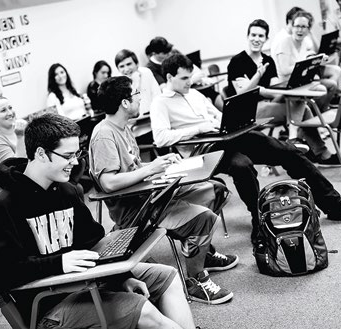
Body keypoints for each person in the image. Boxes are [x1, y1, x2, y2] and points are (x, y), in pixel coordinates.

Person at [0, 113, 198, 329]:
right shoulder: (4, 206)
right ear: (41, 154)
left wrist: (123, 277)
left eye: (76, 154)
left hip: (85, 284)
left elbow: (93, 241)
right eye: (67, 156)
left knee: (166, 276)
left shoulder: (67, 191)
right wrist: (58, 263)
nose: (74, 163)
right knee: (143, 310)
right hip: (48, 308)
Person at [150, 53, 341, 245]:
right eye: (184, 78)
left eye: (190, 76)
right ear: (169, 77)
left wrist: (230, 123)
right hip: (203, 152)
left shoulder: (196, 95)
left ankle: (335, 204)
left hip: (225, 137)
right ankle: (259, 221)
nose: (190, 82)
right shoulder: (161, 102)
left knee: (287, 154)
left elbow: (218, 116)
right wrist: (199, 128)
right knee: (242, 165)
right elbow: (160, 138)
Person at [89, 76, 238, 305]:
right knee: (204, 219)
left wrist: (157, 165)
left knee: (214, 190)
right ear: (125, 103)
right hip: (137, 209)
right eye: (136, 94)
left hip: (151, 193)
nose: (140, 98)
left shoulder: (124, 128)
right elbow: (108, 183)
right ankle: (195, 280)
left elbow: (133, 168)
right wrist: (152, 169)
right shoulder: (104, 134)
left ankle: (201, 252)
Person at [227, 19, 341, 168]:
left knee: (299, 102)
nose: (256, 39)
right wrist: (258, 76)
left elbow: (275, 88)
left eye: (261, 36)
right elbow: (241, 94)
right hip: (246, 112)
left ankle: (303, 148)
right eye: (253, 35)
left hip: (268, 104)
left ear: (266, 39)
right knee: (302, 107)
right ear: (247, 36)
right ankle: (306, 148)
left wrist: (291, 86)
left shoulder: (268, 60)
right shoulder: (237, 62)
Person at [273, 10, 341, 114]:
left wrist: (318, 59)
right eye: (297, 26)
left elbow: (312, 55)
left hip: (302, 80)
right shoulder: (285, 42)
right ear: (292, 27)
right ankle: (312, 116)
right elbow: (284, 70)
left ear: (308, 29)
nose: (299, 30)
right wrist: (305, 64)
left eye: (303, 27)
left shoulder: (305, 42)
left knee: (332, 85)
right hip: (287, 84)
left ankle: (320, 113)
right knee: (321, 89)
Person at [145, 37, 224, 111]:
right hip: (178, 95)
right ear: (154, 53)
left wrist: (201, 78)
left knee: (213, 94)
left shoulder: (173, 53)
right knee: (205, 101)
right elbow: (165, 89)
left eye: (168, 50)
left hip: (192, 88)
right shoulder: (151, 68)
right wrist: (191, 80)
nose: (169, 53)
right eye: (165, 52)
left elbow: (192, 68)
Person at [115, 49, 161, 116]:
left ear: (137, 64)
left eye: (129, 64)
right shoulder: (116, 82)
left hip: (152, 116)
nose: (126, 69)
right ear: (118, 69)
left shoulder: (146, 72)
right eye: (122, 66)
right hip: (130, 122)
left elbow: (157, 95)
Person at [0, 95, 28, 165]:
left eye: (10, 108)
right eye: (3, 110)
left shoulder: (21, 128)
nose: (10, 113)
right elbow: (17, 168)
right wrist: (20, 137)